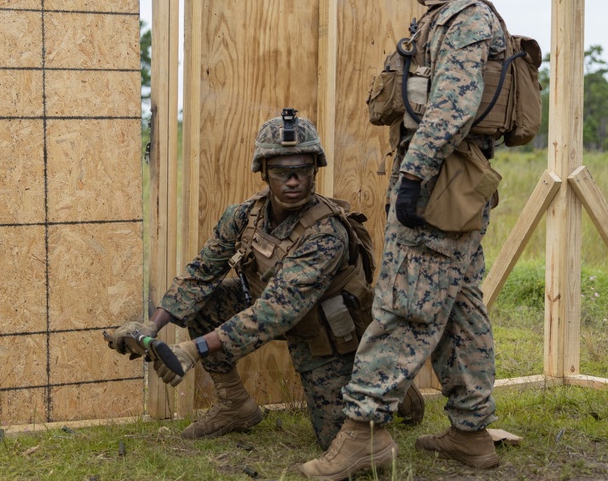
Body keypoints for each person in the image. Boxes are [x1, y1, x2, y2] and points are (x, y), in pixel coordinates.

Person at [299, 0, 505, 480]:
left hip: (440, 181)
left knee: (402, 309)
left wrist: (412, 178)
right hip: (449, 179)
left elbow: (452, 108)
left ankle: (364, 432)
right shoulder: (440, 20)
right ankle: (472, 434)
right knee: (459, 306)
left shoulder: (465, 22)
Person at [108, 110, 424, 450]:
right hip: (271, 309)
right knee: (205, 303)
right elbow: (200, 274)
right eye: (281, 172)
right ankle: (235, 406)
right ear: (263, 173)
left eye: (302, 170)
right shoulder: (243, 215)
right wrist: (151, 327)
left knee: (336, 442)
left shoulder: (327, 233)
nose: (293, 181)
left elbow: (277, 311)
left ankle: (392, 386)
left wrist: (193, 349)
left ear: (315, 170)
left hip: (328, 331)